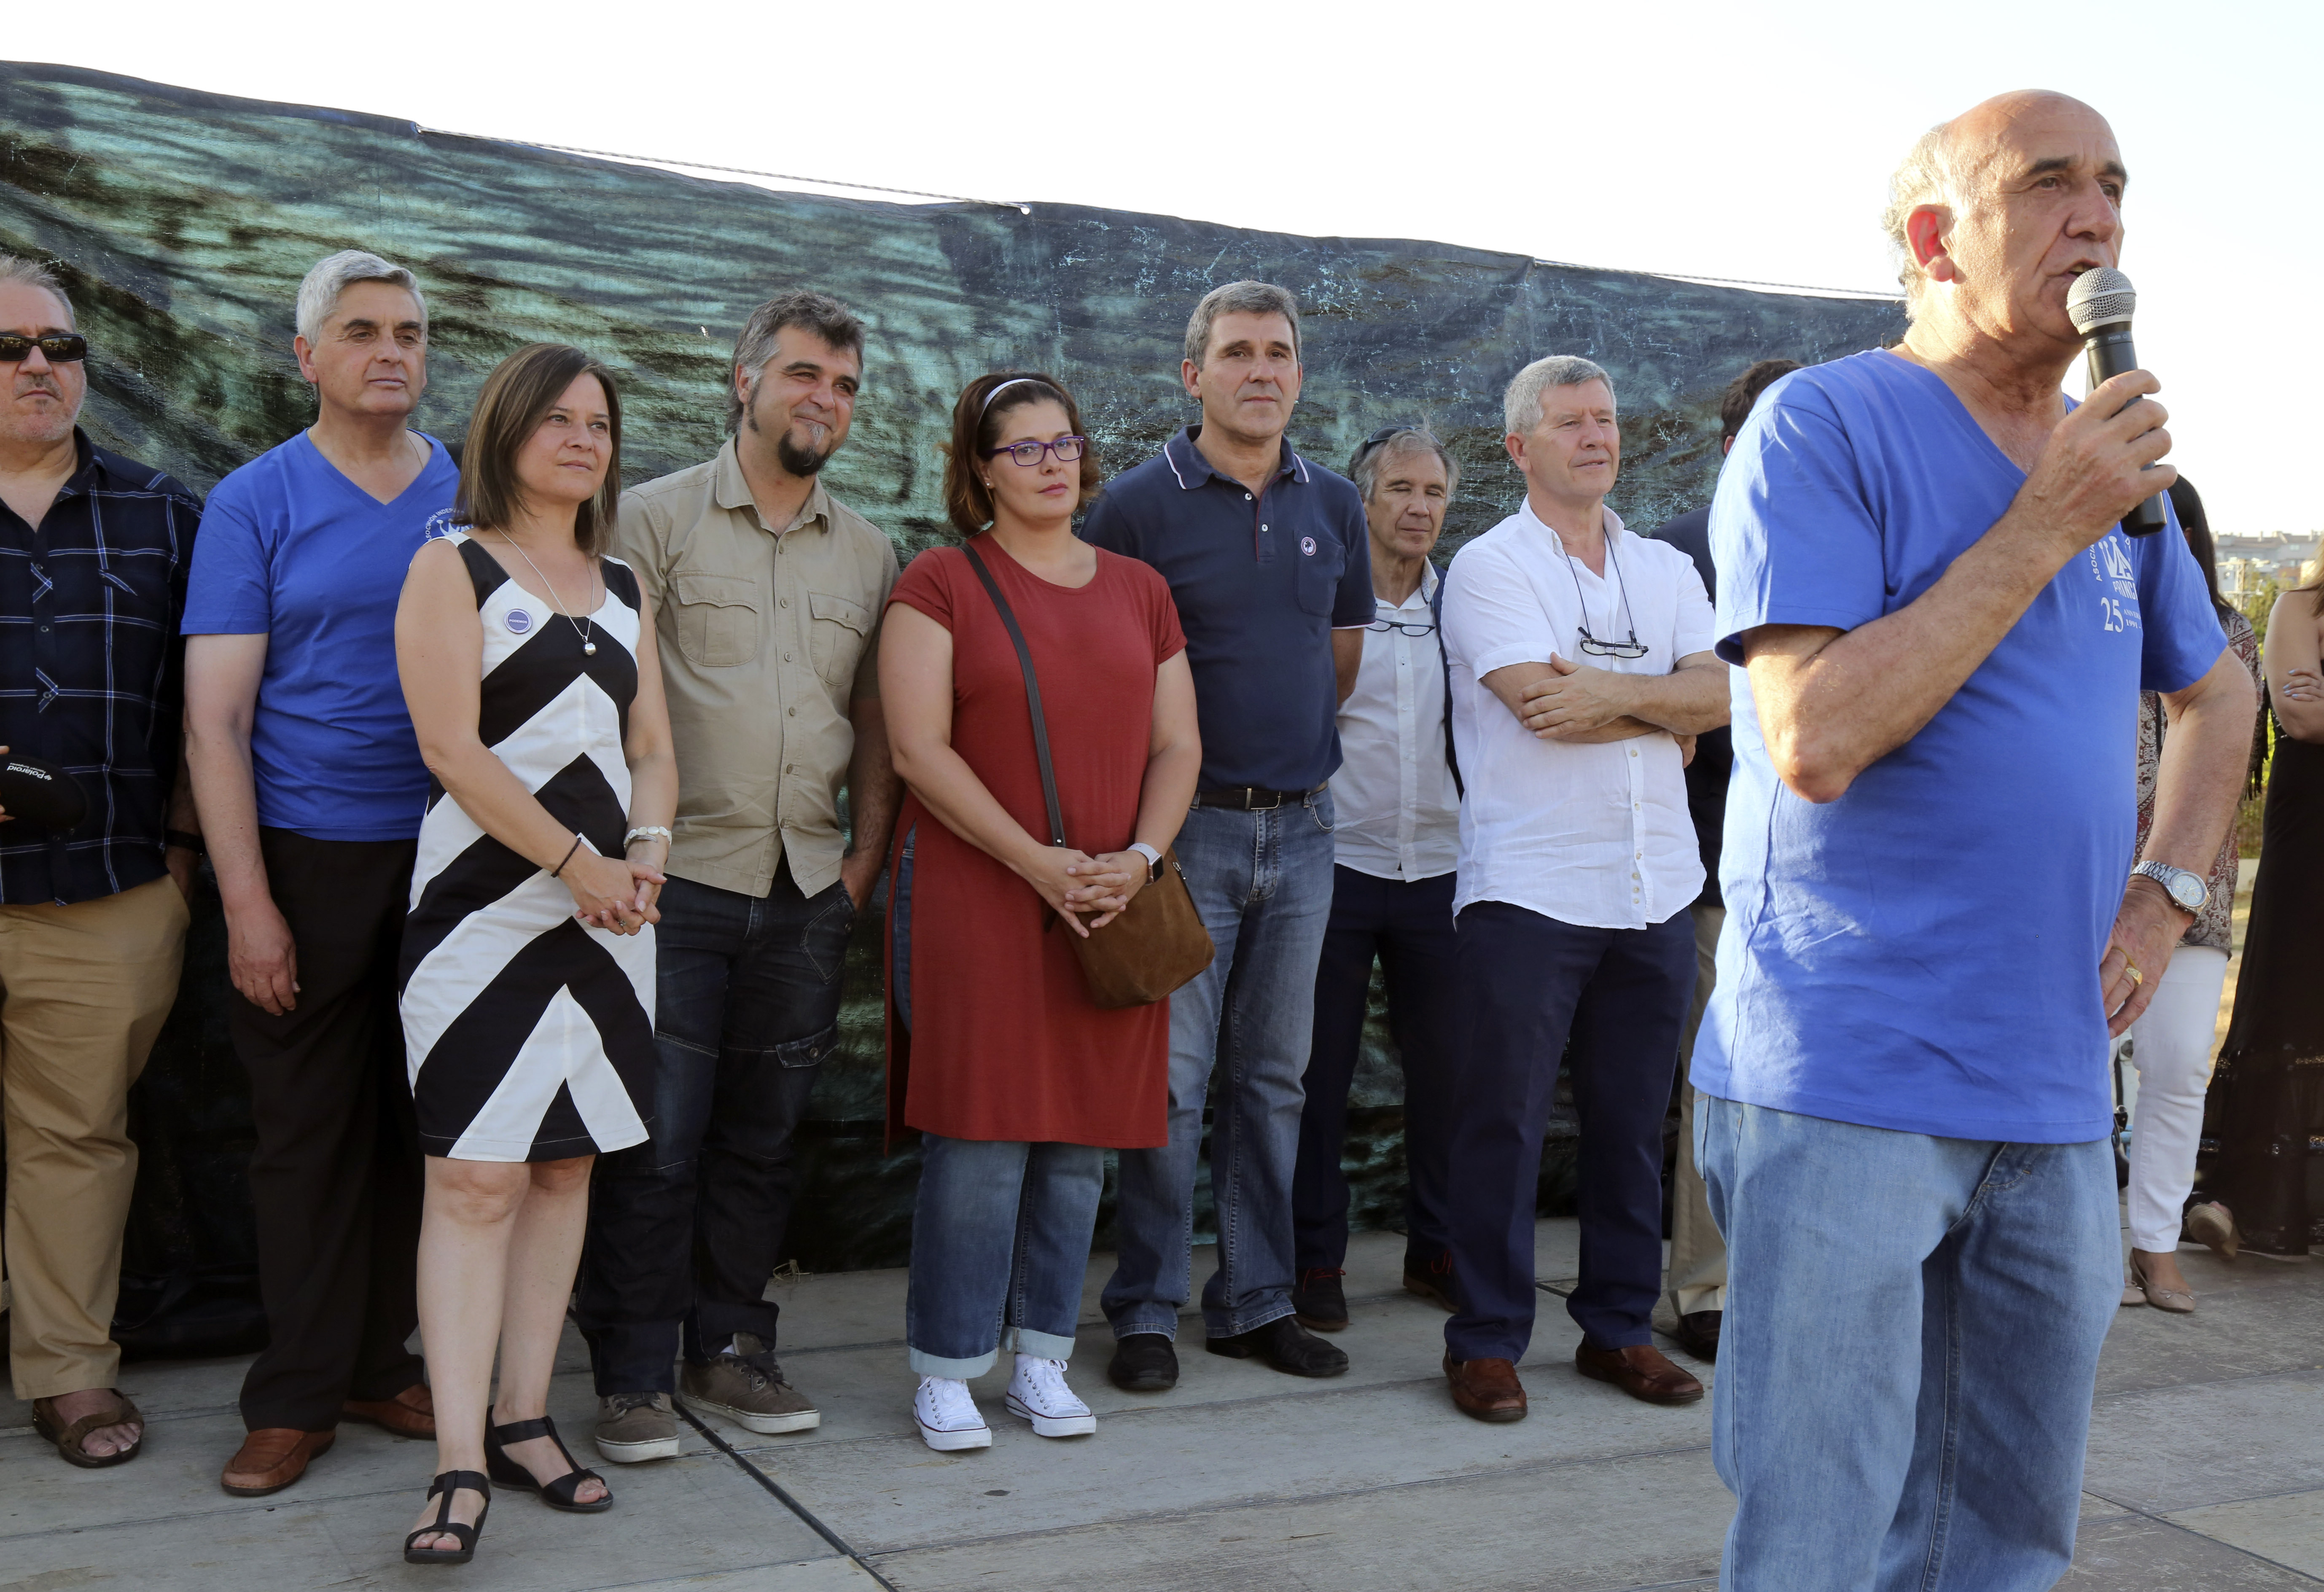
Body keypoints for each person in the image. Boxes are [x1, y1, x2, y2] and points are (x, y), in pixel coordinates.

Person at [1692, 92, 2253, 1589]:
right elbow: (1814, 736)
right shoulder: (1823, 424)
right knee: (1816, 1542)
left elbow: (2220, 691)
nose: (2100, 218)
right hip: (1845, 1082)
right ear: (1937, 237)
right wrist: (2043, 523)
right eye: (2052, 183)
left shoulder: (2109, 470)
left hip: (2055, 1088)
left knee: (2002, 1542)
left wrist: (2164, 898)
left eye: (2115, 186)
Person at [579, 290, 901, 1462]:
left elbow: (875, 718)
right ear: (746, 378)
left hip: (805, 888)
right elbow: (603, 701)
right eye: (806, 374)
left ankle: (727, 1350)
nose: (826, 400)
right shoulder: (649, 519)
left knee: (763, 1144)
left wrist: (860, 862)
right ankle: (631, 1377)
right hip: (674, 884)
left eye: (845, 385)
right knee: (656, 1143)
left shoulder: (869, 551)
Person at [880, 371, 1199, 1450]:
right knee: (979, 1134)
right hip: (978, 888)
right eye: (1023, 448)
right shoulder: (939, 581)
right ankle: (947, 1367)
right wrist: (1037, 863)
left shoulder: (1140, 591)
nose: (1051, 462)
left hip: (1108, 896)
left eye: (1062, 441)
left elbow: (1177, 743)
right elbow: (918, 750)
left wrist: (1139, 861)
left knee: (1078, 1139)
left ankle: (1043, 1359)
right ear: (980, 469)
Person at [395, 342, 675, 1564]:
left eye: (598, 423)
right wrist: (576, 863)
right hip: (481, 918)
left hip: (611, 924)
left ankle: (524, 1421)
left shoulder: (622, 582)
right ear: (505, 431)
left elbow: (651, 745)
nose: (581, 439)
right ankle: (457, 1461)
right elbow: (451, 751)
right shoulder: (449, 566)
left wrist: (645, 854)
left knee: (564, 1173)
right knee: (474, 1182)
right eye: (557, 418)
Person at [185, 249, 457, 1497]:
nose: (389, 351)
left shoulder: (466, 486)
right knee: (304, 1138)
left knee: (420, 1123)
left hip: (454, 855)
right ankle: (294, 1398)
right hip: (306, 853)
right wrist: (249, 903)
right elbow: (217, 720)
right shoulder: (256, 501)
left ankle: (376, 1363)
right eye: (360, 331)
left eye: (407, 331)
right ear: (306, 356)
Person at [1082, 281, 1373, 1390]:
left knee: (1273, 1082)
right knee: (1170, 1083)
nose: (1262, 370)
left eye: (1279, 352)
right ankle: (1147, 1310)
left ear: (1300, 373)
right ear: (1192, 374)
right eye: (1239, 351)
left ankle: (1256, 1302)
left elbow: (1336, 658)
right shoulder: (1135, 508)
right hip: (1185, 837)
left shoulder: (1332, 502)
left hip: (1303, 833)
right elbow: (1106, 673)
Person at [1436, 355, 1727, 1425]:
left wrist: (1615, 694)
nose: (1595, 436)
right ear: (1519, 447)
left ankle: (1616, 1329)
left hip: (1655, 889)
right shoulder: (1487, 567)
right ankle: (1484, 1340)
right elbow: (1536, 706)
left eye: (1604, 418)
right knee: (1502, 1126)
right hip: (1530, 889)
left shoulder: (1664, 566)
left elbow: (1726, 695)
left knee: (1629, 1124)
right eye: (1568, 422)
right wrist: (1663, 709)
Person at [0, 254, 200, 1469]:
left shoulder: (163, 512)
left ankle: (67, 1371)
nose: (39, 366)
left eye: (59, 346)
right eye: (10, 347)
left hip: (110, 890)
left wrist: (182, 854)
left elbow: (213, 704)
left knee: (74, 1139)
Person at [1288, 425, 1463, 1332]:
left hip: (1442, 871)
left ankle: (1437, 1250)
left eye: (1433, 492)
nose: (1418, 508)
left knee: (1449, 1076)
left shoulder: (1465, 608)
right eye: (1400, 489)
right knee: (1317, 1076)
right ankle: (1314, 1260)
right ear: (1360, 503)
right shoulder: (1327, 600)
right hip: (1337, 865)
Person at [1647, 357, 1800, 1363]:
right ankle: (1705, 1287)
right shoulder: (1673, 555)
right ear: (1731, 444)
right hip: (1711, 865)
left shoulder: (1862, 548)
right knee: (1719, 1078)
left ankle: (1798, 1277)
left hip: (1833, 876)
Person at [2117, 477, 2261, 1310]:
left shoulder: (2230, 634)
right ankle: (2087, 1246)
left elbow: (2228, 756)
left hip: (2190, 886)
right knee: (2078, 1068)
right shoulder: (2090, 615)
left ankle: (2155, 1247)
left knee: (2176, 1067)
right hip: (2090, 876)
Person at [2198, 557, 2324, 1259]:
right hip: (2312, 826)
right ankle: (2246, 1198)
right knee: (2289, 989)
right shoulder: (2300, 607)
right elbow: (2301, 718)